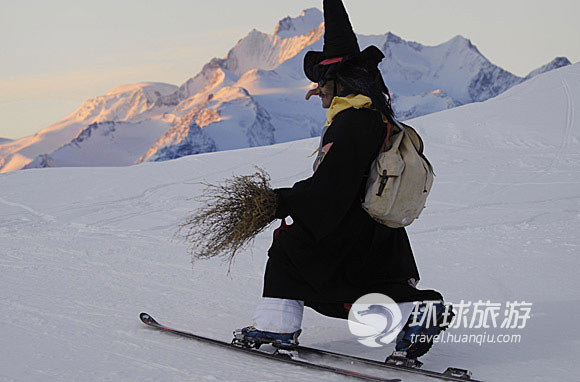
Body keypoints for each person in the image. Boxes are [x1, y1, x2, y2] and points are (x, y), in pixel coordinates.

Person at [234, 0, 452, 360]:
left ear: (341, 82)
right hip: (380, 234)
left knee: (290, 248)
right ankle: (413, 313)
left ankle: (276, 328)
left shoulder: (351, 122)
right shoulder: (374, 116)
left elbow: (332, 188)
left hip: (352, 230)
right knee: (369, 286)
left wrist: (280, 201)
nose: (318, 88)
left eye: (323, 81)